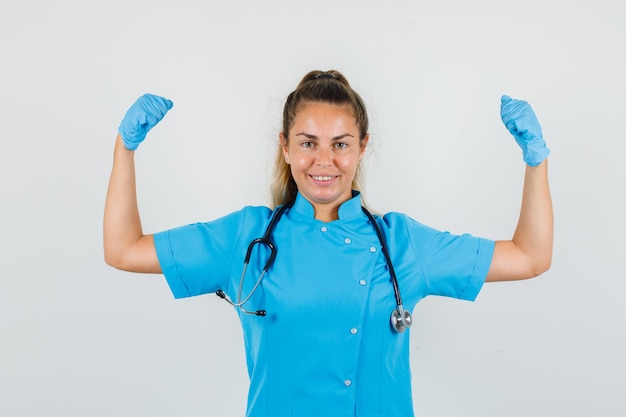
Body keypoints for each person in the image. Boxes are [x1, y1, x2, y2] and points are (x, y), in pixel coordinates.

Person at [104, 70, 553, 417]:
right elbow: (122, 250)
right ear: (284, 147)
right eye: (307, 143)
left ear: (362, 147)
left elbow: (530, 257)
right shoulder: (246, 239)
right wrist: (125, 149)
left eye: (340, 144)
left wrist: (537, 161)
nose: (324, 161)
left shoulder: (402, 243)